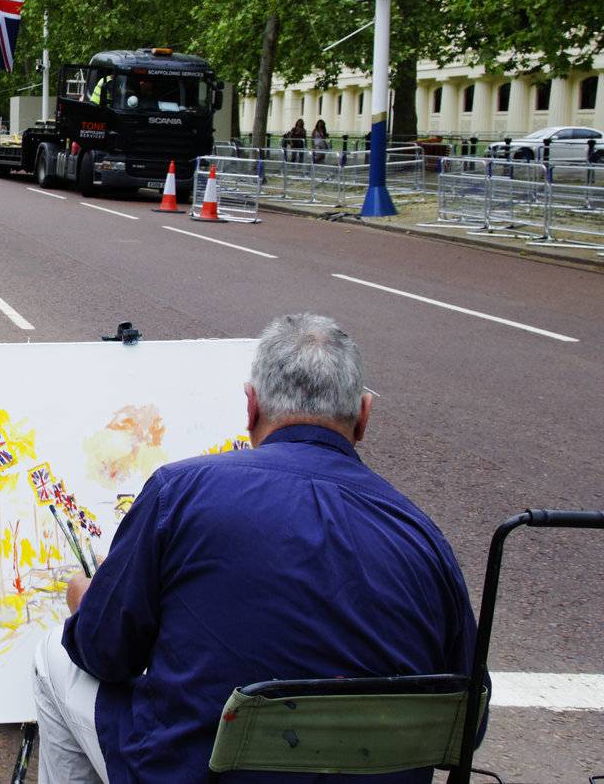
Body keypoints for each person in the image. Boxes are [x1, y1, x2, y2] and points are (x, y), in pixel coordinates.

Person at [33, 313, 476, 784]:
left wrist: (89, 600)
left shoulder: (179, 490)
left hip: (198, 774)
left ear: (251, 406)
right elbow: (468, 719)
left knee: (52, 656)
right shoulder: (423, 537)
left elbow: (104, 654)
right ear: (364, 415)